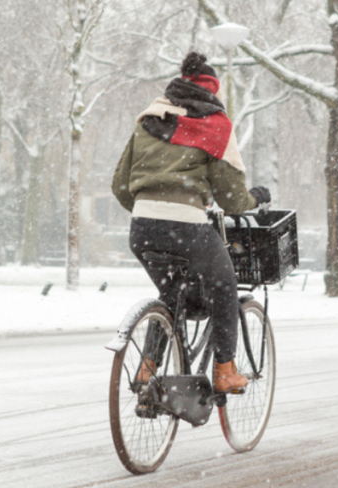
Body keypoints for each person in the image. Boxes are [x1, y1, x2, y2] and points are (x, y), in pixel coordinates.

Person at [112, 51, 270, 394]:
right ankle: (225, 372)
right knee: (225, 289)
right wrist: (255, 199)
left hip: (141, 229)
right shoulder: (214, 125)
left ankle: (147, 368)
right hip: (187, 229)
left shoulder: (150, 119)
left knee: (171, 293)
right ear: (212, 92)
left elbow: (120, 186)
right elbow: (231, 200)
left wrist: (149, 207)